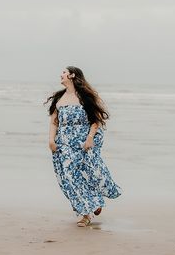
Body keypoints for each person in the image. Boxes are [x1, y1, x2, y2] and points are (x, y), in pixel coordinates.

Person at [46, 66, 121, 226]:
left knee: (88, 174)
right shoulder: (59, 98)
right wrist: (51, 140)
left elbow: (97, 119)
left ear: (72, 75)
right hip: (64, 144)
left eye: (64, 72)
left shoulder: (85, 96)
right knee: (69, 178)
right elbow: (54, 121)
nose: (61, 74)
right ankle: (86, 213)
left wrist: (90, 138)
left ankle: (94, 201)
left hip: (83, 143)